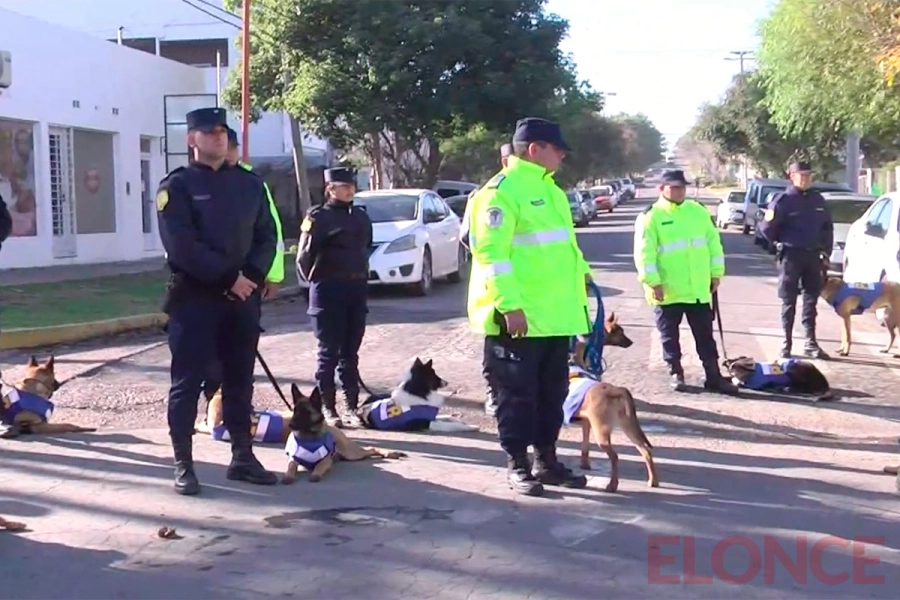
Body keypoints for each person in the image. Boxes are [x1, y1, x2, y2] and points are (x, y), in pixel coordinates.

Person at [156, 107, 278, 496]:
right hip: (196, 299)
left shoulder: (249, 184)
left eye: (223, 131)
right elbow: (182, 244)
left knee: (240, 380)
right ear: (192, 139)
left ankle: (243, 457)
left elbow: (267, 236)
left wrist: (251, 277)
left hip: (242, 300)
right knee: (187, 383)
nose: (219, 137)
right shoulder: (177, 186)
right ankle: (184, 464)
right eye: (210, 132)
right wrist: (229, 278)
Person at [468, 117, 592, 497]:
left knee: (552, 396)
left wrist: (583, 278)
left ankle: (546, 461)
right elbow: (492, 255)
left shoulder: (552, 191)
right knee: (516, 397)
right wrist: (509, 305)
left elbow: (561, 249)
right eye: (558, 149)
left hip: (554, 317)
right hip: (518, 319)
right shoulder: (501, 191)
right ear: (535, 149)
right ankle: (518, 465)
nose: (563, 156)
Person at [634, 169, 738, 395]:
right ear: (661, 189)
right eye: (674, 187)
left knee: (705, 338)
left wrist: (716, 273)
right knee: (669, 337)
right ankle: (676, 373)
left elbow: (713, 244)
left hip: (697, 290)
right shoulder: (651, 216)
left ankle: (713, 376)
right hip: (667, 291)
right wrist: (653, 282)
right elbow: (644, 254)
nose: (679, 191)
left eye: (682, 187)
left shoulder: (698, 211)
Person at [297, 167, 373, 428]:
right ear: (330, 189)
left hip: (356, 288)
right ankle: (328, 408)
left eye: (352, 186)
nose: (350, 190)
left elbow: (365, 246)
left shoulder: (360, 216)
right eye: (344, 186)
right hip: (328, 289)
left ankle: (351, 405)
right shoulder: (318, 217)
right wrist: (317, 281)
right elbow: (304, 257)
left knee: (350, 352)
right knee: (328, 352)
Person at [759, 161, 833, 359]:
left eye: (808, 175)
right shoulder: (783, 201)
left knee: (811, 300)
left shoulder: (817, 200)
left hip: (813, 256)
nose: (806, 179)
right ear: (792, 177)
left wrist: (826, 251)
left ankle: (810, 342)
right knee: (788, 300)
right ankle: (787, 343)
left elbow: (827, 228)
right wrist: (778, 243)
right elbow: (766, 228)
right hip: (791, 256)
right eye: (802, 175)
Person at [460, 142, 513, 417]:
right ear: (504, 161)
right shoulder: (486, 195)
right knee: (496, 348)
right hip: (495, 288)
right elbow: (466, 237)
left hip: (532, 292)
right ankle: (494, 393)